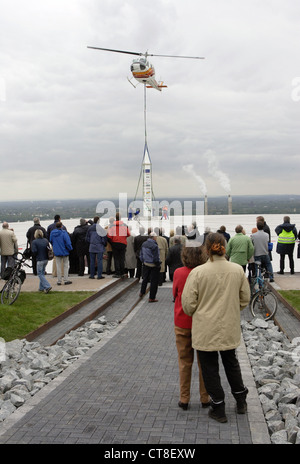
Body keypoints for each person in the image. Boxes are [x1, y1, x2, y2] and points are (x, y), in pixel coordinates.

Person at [182, 232, 250, 423]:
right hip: (229, 325)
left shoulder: (198, 273)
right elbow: (245, 299)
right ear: (224, 248)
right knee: (231, 363)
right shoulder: (237, 270)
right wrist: (231, 308)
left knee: (209, 368)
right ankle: (240, 400)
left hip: (205, 328)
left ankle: (218, 407)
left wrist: (201, 309)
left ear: (206, 249)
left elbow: (188, 305)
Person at [173, 245, 210, 410]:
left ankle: (184, 398)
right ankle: (205, 398)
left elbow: (174, 294)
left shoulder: (178, 273)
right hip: (202, 323)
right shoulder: (205, 273)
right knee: (204, 363)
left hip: (182, 322)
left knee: (184, 362)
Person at [107, 213, 130, 278]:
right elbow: (128, 234)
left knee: (116, 258)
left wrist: (112, 242)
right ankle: (122, 272)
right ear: (120, 217)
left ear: (115, 217)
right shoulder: (125, 225)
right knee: (122, 258)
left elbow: (109, 236)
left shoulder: (111, 226)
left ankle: (117, 272)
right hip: (123, 243)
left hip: (115, 243)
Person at [139, 232, 161, 302]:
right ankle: (152, 297)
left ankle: (142, 292)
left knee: (145, 279)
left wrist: (143, 261)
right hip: (153, 265)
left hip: (146, 264)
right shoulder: (154, 246)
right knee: (154, 281)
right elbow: (156, 257)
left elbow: (141, 254)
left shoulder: (144, 244)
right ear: (154, 237)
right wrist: (158, 264)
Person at [50, 221, 73, 285]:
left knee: (58, 266)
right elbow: (68, 242)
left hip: (57, 251)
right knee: (65, 266)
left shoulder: (52, 233)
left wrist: (55, 247)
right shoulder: (64, 233)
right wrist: (70, 248)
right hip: (64, 251)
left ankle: (59, 280)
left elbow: (51, 241)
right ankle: (66, 279)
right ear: (61, 226)